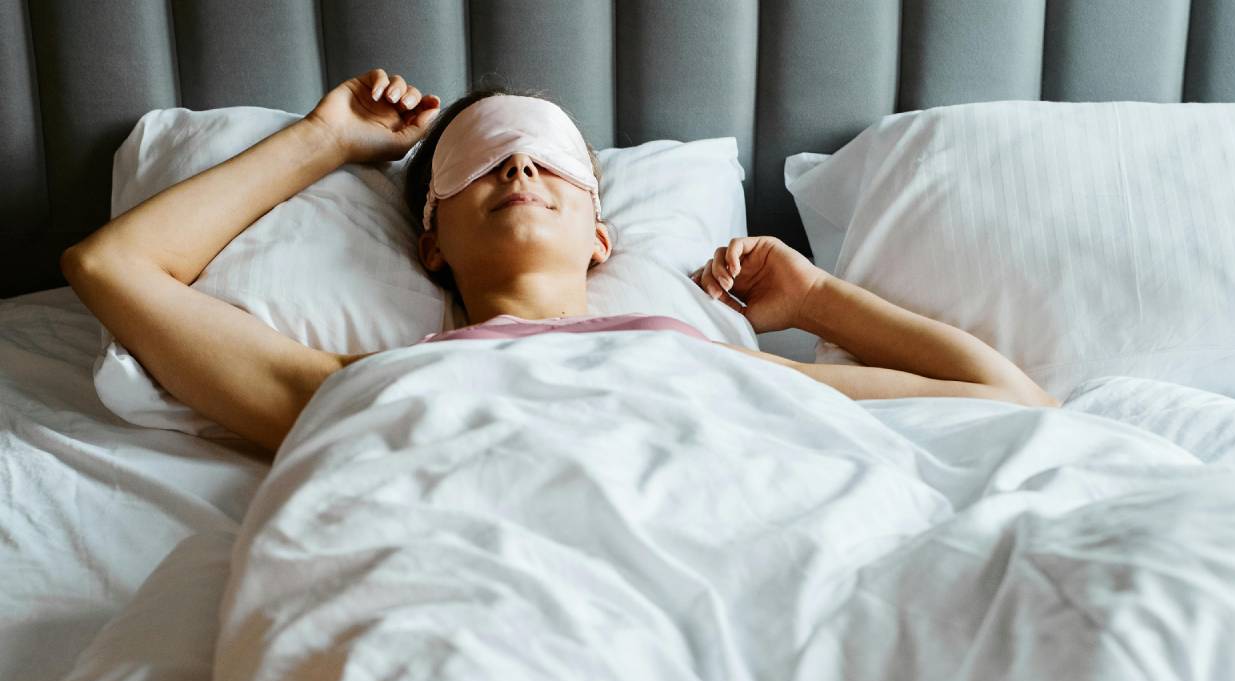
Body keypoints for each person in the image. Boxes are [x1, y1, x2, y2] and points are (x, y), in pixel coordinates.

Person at [61, 69, 1058, 454]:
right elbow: (113, 267)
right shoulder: (362, 387)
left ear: (601, 236)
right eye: (483, 158)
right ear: (429, 244)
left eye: (546, 153)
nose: (522, 161)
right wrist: (324, 140)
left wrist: (819, 300)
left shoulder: (712, 365)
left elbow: (1012, 404)